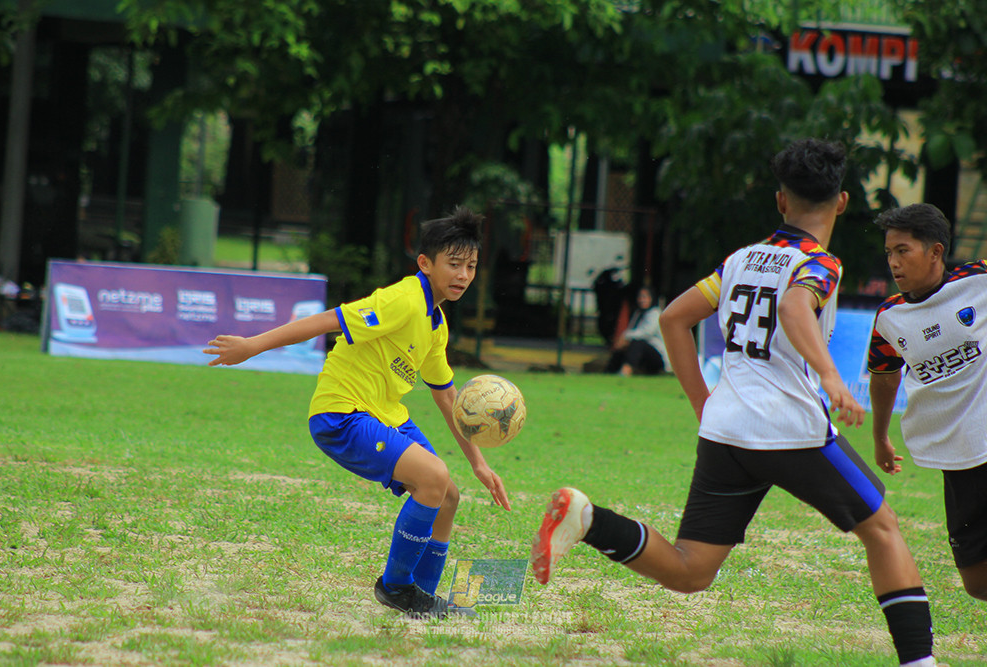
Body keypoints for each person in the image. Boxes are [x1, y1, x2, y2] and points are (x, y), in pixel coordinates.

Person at [530, 139, 937, 666]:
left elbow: (674, 318)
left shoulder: (741, 259)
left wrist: (704, 403)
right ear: (840, 203)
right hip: (790, 429)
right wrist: (833, 378)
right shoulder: (818, 262)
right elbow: (795, 306)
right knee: (882, 529)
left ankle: (589, 520)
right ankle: (921, 664)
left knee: (690, 571)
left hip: (726, 431)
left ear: (780, 201)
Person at [204, 206, 511, 618]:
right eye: (453, 264)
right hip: (342, 414)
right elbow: (329, 319)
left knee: (448, 495)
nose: (463, 275)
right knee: (434, 478)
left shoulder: (436, 323)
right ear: (425, 263)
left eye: (470, 266)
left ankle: (422, 596)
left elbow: (446, 396)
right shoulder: (402, 300)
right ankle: (396, 588)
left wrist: (479, 463)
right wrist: (251, 346)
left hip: (385, 413)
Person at [868, 202, 987, 601]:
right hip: (956, 456)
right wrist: (880, 436)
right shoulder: (890, 318)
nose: (894, 262)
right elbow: (884, 378)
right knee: (976, 583)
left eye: (903, 250)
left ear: (935, 252)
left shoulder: (979, 280)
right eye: (889, 253)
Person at [604, 285, 669, 376]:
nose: (642, 300)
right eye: (640, 297)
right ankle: (609, 371)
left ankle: (626, 370)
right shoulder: (638, 313)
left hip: (657, 355)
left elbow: (646, 333)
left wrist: (625, 336)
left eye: (645, 297)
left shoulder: (655, 313)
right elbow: (632, 331)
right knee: (624, 347)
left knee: (637, 343)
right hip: (642, 352)